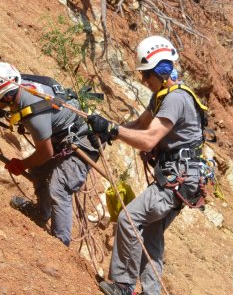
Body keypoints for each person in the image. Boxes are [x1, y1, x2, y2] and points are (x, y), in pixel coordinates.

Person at [88, 36, 210, 295]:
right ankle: (151, 292)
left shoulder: (176, 99)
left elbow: (148, 139)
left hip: (177, 180)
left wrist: (114, 131)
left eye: (147, 75)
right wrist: (108, 130)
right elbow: (141, 125)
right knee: (152, 235)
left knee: (128, 218)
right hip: (182, 180)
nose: (144, 81)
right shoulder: (161, 96)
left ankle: (123, 285)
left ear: (162, 72)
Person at [0, 61, 99, 246]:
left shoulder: (34, 114)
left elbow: (45, 152)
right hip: (59, 137)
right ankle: (41, 213)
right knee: (38, 172)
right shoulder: (16, 84)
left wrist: (22, 164)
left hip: (82, 143)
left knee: (59, 186)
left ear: (7, 99)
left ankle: (61, 244)